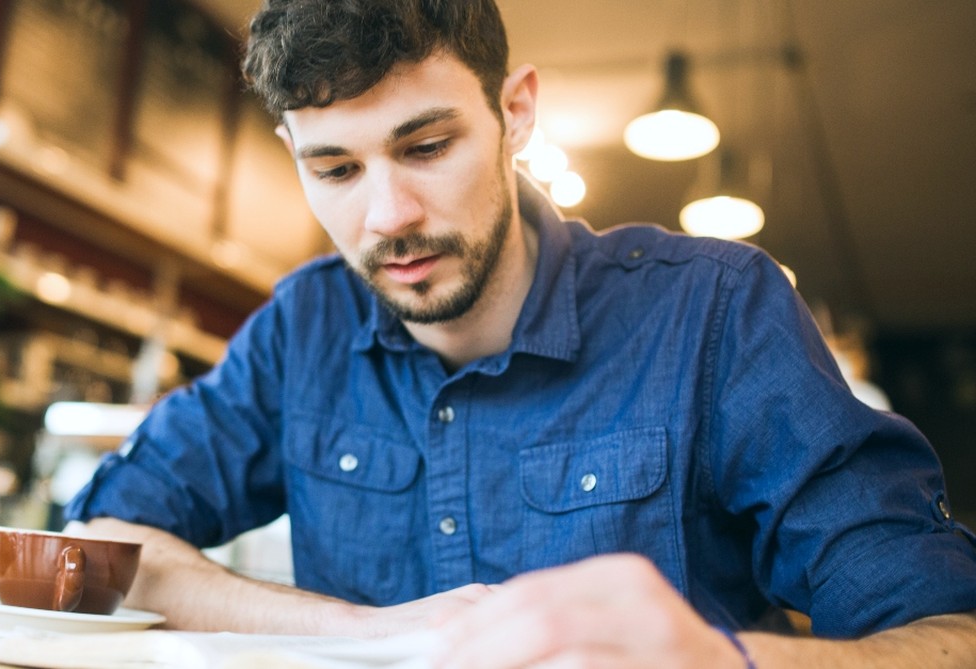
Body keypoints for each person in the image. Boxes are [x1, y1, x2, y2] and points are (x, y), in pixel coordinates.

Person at [66, 0, 976, 665]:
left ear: (516, 113)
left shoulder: (712, 312)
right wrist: (375, 631)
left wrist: (722, 662)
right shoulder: (302, 328)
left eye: (426, 147)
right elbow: (103, 542)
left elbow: (950, 630)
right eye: (335, 168)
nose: (388, 216)